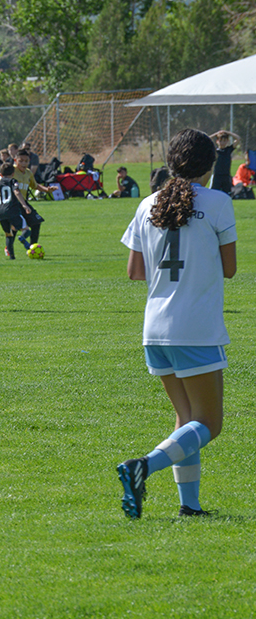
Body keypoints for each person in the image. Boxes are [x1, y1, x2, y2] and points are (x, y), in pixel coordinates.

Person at [117, 128, 237, 519]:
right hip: (196, 326)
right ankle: (142, 467)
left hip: (155, 329)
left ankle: (190, 505)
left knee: (186, 419)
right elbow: (230, 268)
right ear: (210, 165)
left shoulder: (148, 203)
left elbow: (135, 272)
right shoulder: (218, 201)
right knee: (210, 425)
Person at [12, 150, 53, 249]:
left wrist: (46, 189)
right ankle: (9, 247)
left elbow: (35, 185)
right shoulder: (11, 171)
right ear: (15, 160)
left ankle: (33, 247)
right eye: (21, 161)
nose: (23, 163)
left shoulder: (28, 173)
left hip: (24, 202)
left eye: (26, 161)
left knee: (36, 222)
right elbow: (0, 179)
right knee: (15, 226)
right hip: (12, 203)